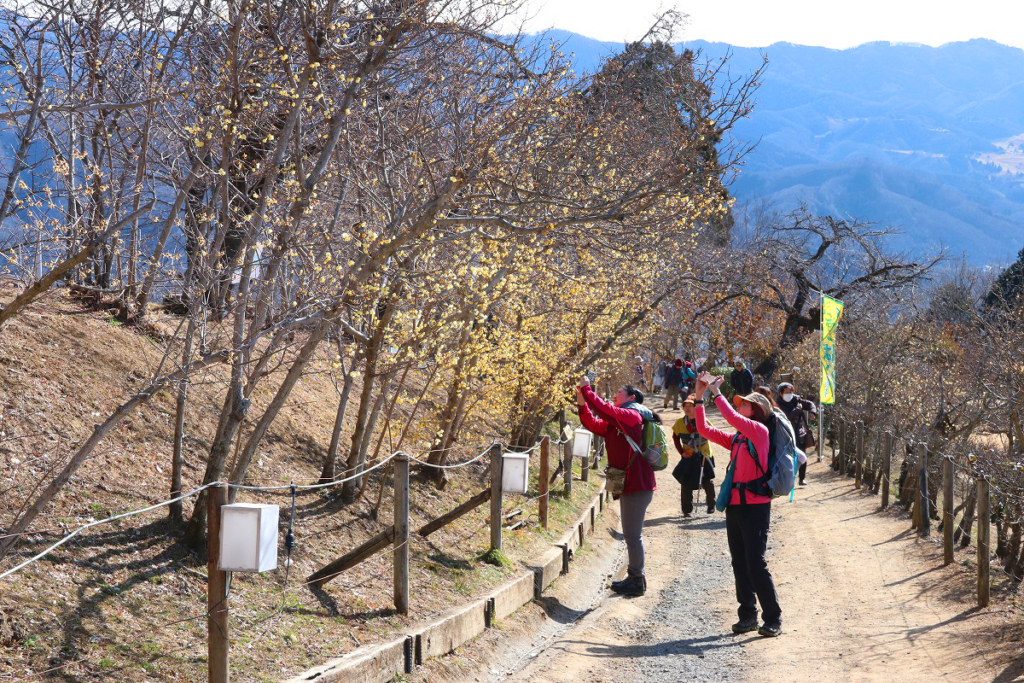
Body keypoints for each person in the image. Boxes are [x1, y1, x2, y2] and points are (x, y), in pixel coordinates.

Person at [694, 371, 782, 638]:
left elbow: (731, 417)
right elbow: (704, 430)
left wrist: (715, 392)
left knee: (756, 562)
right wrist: (699, 398)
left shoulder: (760, 432)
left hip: (756, 506)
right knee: (739, 563)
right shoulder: (739, 438)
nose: (738, 407)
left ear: (755, 410)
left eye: (743, 403)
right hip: (735, 505)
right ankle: (748, 616)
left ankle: (773, 618)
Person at [576, 378, 657, 597]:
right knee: (632, 534)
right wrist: (582, 403)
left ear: (631, 398)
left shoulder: (631, 415)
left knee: (632, 535)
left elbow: (604, 410)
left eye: (619, 392)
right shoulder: (620, 422)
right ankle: (636, 577)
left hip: (637, 483)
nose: (614, 396)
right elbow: (594, 424)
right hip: (632, 482)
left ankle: (636, 579)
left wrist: (587, 389)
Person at [672, 395, 716, 517]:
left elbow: (713, 434)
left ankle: (711, 504)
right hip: (688, 456)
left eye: (690, 406)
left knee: (707, 481)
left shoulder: (704, 421)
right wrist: (682, 452)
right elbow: (675, 438)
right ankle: (686, 510)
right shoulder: (679, 423)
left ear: (696, 408)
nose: (687, 408)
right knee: (685, 482)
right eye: (685, 406)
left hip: (704, 455)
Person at [777, 383, 817, 486]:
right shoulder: (778, 404)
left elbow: (810, 404)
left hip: (799, 433)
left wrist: (813, 412)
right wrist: (798, 410)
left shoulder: (796, 400)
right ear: (780, 393)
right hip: (785, 433)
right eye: (786, 392)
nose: (789, 394)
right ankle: (788, 480)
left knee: (802, 455)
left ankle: (802, 478)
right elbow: (787, 416)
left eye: (790, 392)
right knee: (786, 457)